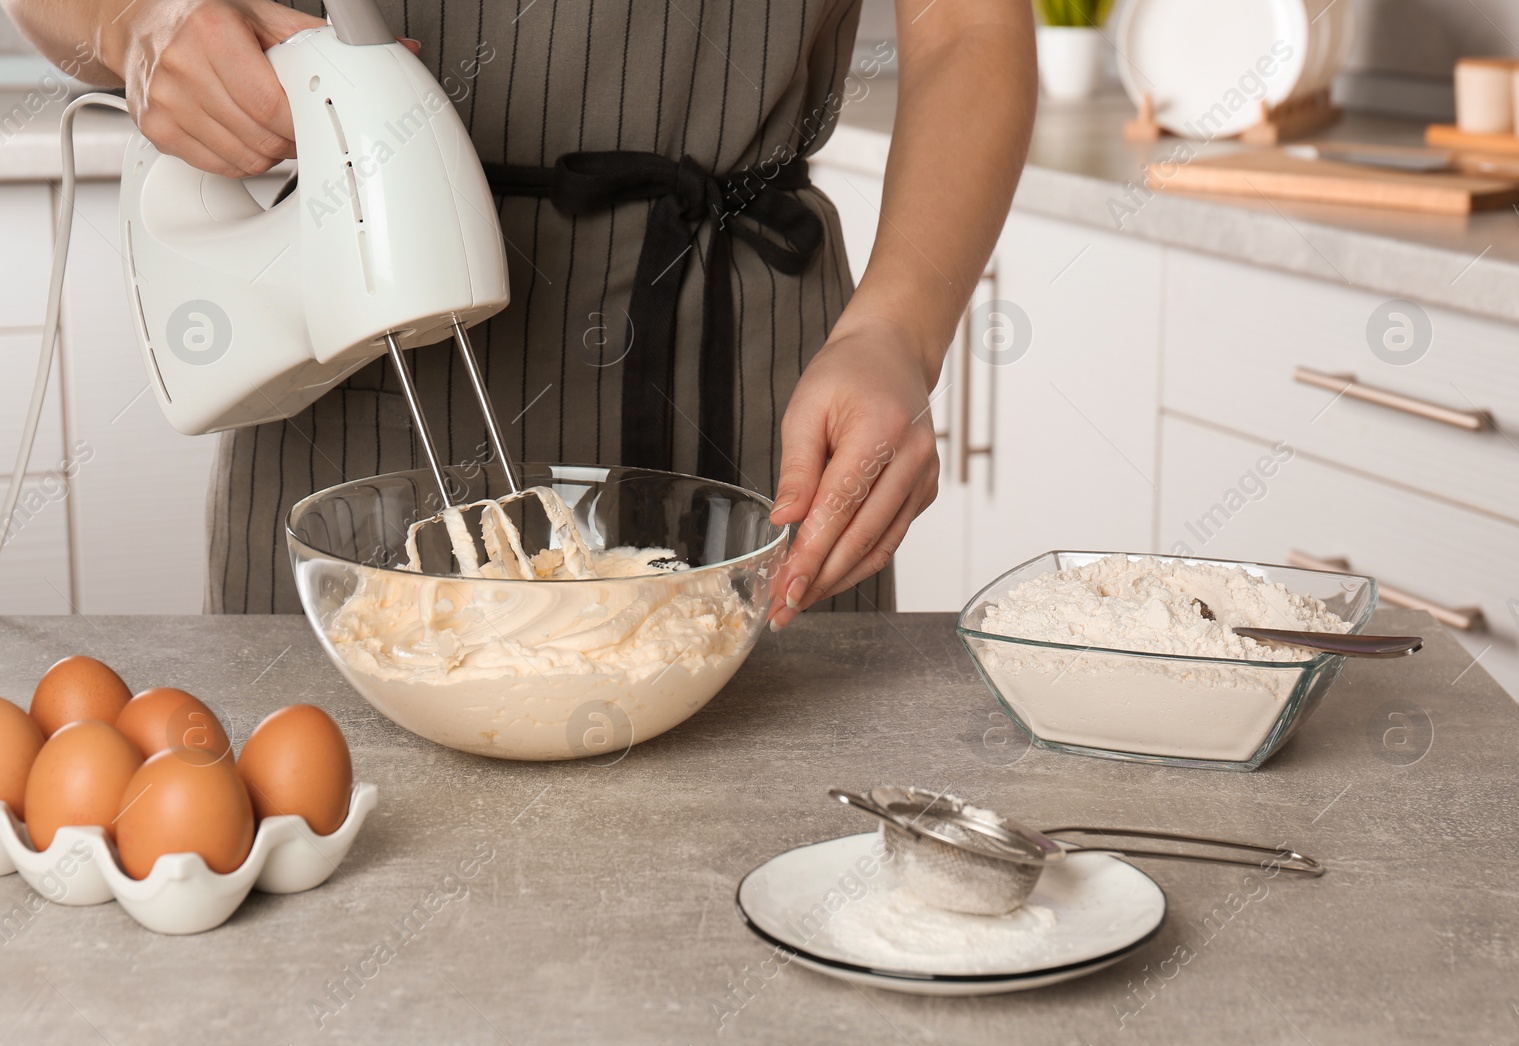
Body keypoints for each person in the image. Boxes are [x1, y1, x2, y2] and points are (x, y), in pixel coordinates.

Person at [7, 0, 1036, 625]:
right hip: (363, 350)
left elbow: (969, 32)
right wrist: (136, 26)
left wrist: (894, 331)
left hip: (758, 393)